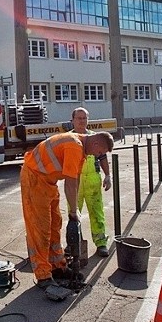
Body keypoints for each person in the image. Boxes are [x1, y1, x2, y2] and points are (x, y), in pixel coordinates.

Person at [20, 130, 114, 292]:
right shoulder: (74, 146)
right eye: (100, 152)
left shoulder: (81, 149)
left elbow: (75, 179)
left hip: (48, 181)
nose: (98, 156)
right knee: (40, 228)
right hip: (34, 179)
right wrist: (73, 211)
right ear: (96, 143)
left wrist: (74, 210)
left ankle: (57, 266)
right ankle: (43, 274)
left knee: (55, 223)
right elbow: (70, 183)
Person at [68, 108, 112, 257]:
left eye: (84, 118)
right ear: (72, 120)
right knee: (73, 213)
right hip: (74, 181)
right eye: (79, 118)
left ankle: (101, 243)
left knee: (97, 212)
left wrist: (108, 175)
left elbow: (103, 157)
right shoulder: (69, 138)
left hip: (93, 179)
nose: (82, 121)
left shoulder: (95, 138)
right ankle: (74, 244)